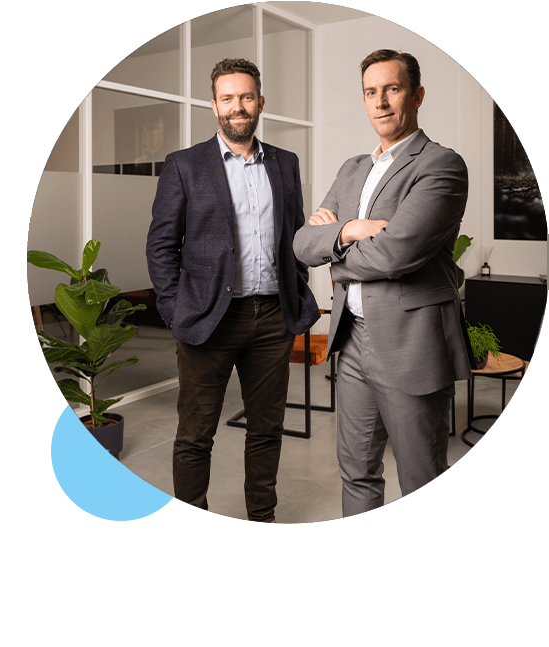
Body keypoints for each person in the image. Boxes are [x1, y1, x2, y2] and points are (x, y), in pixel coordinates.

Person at [293, 49, 472, 517]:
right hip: (352, 341)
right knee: (356, 472)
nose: (381, 102)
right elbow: (302, 244)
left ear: (416, 95)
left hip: (411, 343)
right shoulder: (352, 168)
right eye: (371, 92)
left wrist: (333, 252)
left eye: (392, 89)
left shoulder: (441, 165)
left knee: (421, 480)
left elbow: (397, 254)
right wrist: (351, 230)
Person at [146, 58, 319, 523]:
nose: (237, 106)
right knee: (195, 434)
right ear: (214, 105)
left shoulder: (285, 163)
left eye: (245, 97)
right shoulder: (184, 165)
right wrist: (174, 309)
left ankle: (262, 519)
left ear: (260, 102)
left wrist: (297, 286)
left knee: (267, 430)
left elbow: (294, 236)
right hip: (208, 319)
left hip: (273, 317)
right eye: (227, 98)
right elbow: (161, 245)